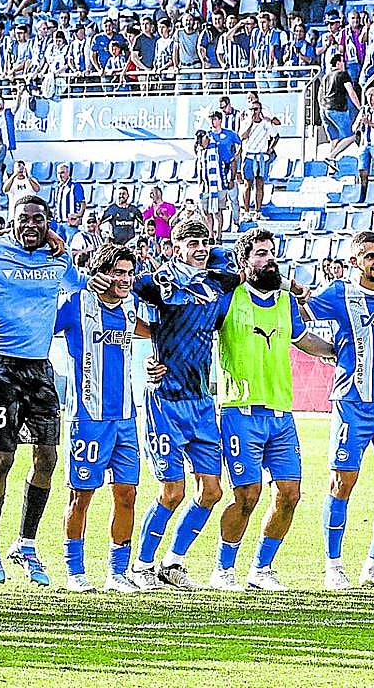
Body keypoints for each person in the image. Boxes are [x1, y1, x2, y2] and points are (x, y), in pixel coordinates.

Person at [204, 229, 333, 591]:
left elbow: (302, 339)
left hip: (281, 413)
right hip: (239, 411)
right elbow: (197, 330)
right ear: (243, 261)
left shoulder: (285, 301)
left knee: (290, 494)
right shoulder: (228, 298)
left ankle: (261, 569)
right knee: (247, 495)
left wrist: (337, 351)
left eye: (272, 252)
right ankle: (223, 569)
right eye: (260, 253)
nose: (269, 259)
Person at [0, 195, 84, 587]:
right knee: (2, 458)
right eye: (24, 218)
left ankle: (26, 544)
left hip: (39, 368)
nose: (31, 225)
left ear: (48, 223)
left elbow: (79, 285)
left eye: (39, 219)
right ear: (11, 222)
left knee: (48, 457)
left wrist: (63, 248)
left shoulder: (58, 259)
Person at [129, 218, 239, 590]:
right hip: (166, 400)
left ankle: (172, 562)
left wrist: (209, 249)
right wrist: (151, 350)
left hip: (202, 400)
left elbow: (231, 259)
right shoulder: (160, 282)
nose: (201, 248)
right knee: (172, 491)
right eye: (191, 242)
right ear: (175, 246)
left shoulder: (218, 282)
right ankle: (141, 566)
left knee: (212, 491)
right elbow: (125, 302)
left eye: (204, 241)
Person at [304, 231, 374, 590]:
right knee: (341, 483)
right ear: (354, 261)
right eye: (369, 256)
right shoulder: (338, 293)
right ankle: (333, 566)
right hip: (352, 404)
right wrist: (326, 350)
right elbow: (297, 315)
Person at [56, 243, 149, 592]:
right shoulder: (76, 304)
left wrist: (157, 360)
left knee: (127, 494)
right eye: (118, 273)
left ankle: (117, 573)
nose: (125, 279)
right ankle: (75, 572)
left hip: (125, 417)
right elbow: (40, 326)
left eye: (129, 273)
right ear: (100, 274)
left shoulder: (130, 307)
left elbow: (152, 332)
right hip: (87, 418)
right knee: (80, 496)